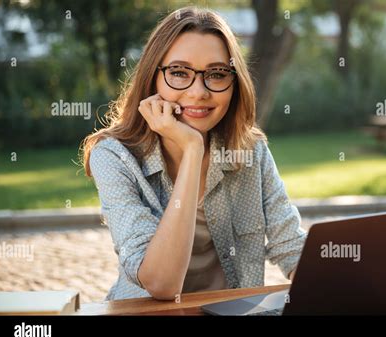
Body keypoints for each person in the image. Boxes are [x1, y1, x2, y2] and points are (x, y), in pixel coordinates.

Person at [81, 6, 306, 301]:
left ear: (234, 82)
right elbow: (162, 283)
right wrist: (192, 149)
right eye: (179, 72)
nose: (199, 92)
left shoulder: (250, 151)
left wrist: (343, 287)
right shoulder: (114, 157)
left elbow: (291, 247)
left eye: (216, 74)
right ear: (153, 78)